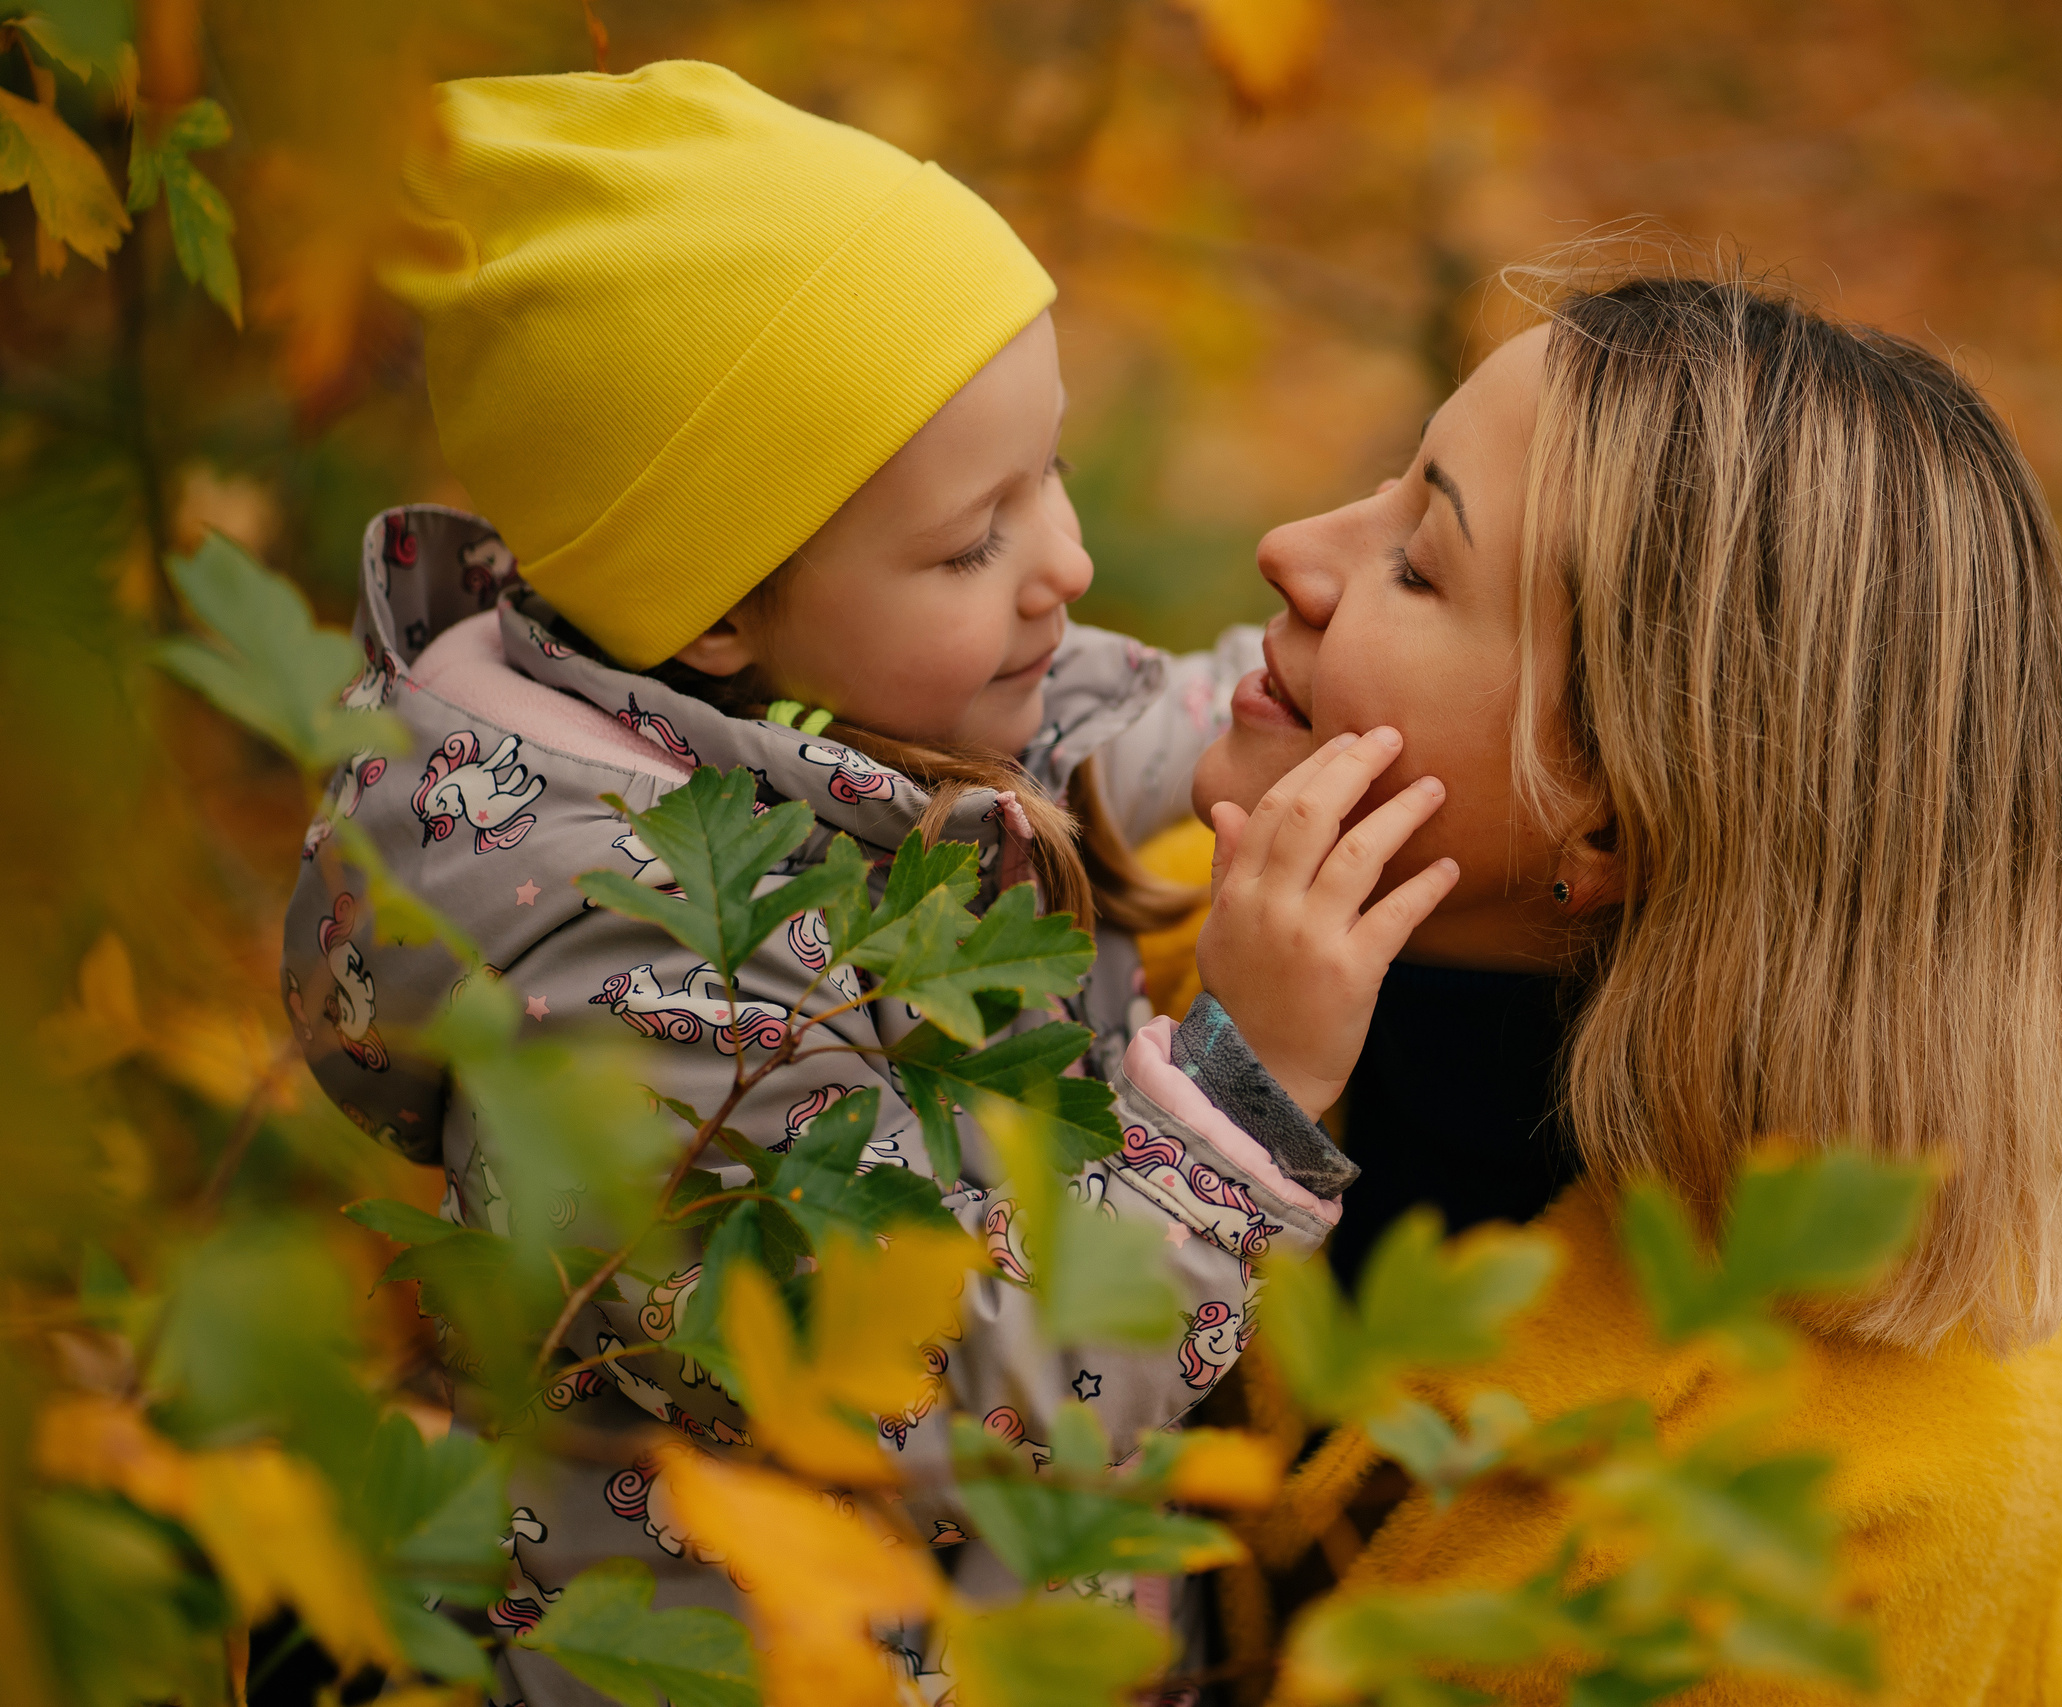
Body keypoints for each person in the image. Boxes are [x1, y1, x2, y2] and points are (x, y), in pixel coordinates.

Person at [278, 61, 1449, 1706]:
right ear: (719, 615)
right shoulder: (608, 978)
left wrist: (1272, 715)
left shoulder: (823, 709)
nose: (1070, 562)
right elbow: (959, 1406)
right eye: (978, 537)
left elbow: (1070, 744)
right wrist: (1245, 1099)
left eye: (1049, 475)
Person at [1179, 269, 2062, 1705]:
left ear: (1613, 816)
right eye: (1384, 490)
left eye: (1419, 564)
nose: (1291, 548)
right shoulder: (1162, 918)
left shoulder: (1872, 1505)